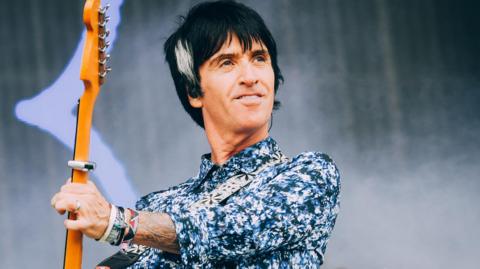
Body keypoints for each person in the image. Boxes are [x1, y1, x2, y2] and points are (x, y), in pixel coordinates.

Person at [51, 1, 341, 268]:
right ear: (193, 90)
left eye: (259, 58)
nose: (250, 76)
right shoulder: (159, 205)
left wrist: (116, 222)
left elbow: (230, 229)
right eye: (227, 62)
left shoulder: (309, 175)